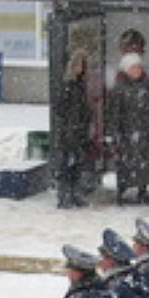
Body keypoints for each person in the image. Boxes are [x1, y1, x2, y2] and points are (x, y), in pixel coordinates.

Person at [106, 51, 149, 205]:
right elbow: (113, 113)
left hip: (144, 132)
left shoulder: (147, 86)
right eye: (133, 67)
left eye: (138, 67)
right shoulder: (120, 88)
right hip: (126, 132)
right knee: (125, 164)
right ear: (126, 69)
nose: (137, 70)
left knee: (145, 163)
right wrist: (113, 133)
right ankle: (121, 191)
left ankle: (143, 191)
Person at [56, 49, 92, 209]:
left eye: (83, 65)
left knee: (76, 164)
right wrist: (71, 124)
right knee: (67, 165)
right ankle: (65, 195)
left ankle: (73, 194)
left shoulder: (79, 86)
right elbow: (60, 109)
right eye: (78, 64)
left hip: (78, 132)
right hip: (70, 133)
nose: (81, 68)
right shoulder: (68, 86)